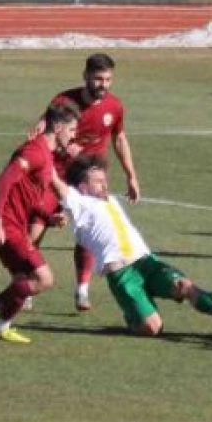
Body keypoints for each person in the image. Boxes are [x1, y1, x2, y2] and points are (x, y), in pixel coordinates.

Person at [48, 155, 212, 336]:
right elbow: (56, 183)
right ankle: (133, 317)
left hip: (146, 262)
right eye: (98, 181)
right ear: (82, 187)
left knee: (184, 285)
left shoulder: (109, 200)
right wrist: (43, 148)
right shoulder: (80, 203)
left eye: (105, 180)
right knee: (153, 328)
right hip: (122, 274)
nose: (105, 185)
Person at [33, 53, 140, 312]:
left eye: (108, 79)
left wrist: (131, 175)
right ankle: (27, 282)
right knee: (36, 229)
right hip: (57, 175)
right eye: (98, 79)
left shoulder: (114, 106)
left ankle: (82, 290)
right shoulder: (64, 102)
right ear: (85, 76)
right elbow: (43, 131)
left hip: (90, 180)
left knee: (88, 232)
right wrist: (64, 146)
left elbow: (119, 139)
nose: (103, 84)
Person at [0, 104, 80, 344]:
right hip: (4, 226)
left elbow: (27, 196)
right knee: (44, 278)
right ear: (58, 127)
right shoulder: (34, 151)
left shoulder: (47, 155)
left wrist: (47, 217)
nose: (74, 136)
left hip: (11, 225)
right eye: (72, 130)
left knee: (24, 279)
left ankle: (2, 326)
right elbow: (4, 181)